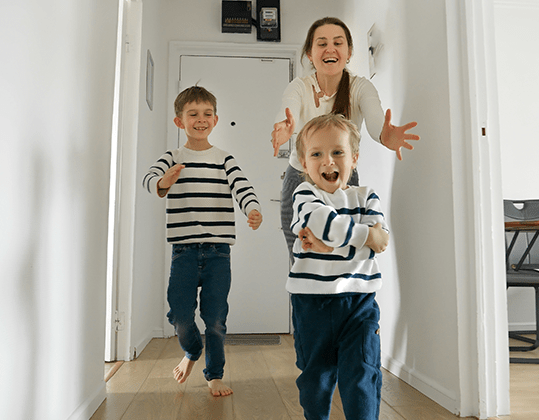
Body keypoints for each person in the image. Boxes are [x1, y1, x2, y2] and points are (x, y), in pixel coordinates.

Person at [142, 86, 263, 397]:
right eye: (193, 114)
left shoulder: (224, 159)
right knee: (179, 315)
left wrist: (252, 209)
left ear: (216, 119)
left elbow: (243, 187)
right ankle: (192, 351)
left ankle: (214, 375)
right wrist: (162, 181)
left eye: (207, 114)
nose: (201, 119)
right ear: (179, 121)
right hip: (183, 251)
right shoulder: (173, 157)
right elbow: (150, 178)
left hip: (218, 253)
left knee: (216, 320)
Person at [271, 17, 418, 263]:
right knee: (303, 255)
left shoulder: (361, 88)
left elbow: (375, 122)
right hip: (299, 179)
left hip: (343, 180)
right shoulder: (298, 87)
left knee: (346, 255)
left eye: (338, 43)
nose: (330, 49)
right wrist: (285, 127)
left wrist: (385, 134)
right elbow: (289, 111)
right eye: (322, 43)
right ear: (310, 53)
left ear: (349, 52)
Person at [288, 113, 389, 420]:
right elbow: (325, 223)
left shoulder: (366, 196)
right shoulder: (305, 195)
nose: (327, 161)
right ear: (305, 164)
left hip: (359, 302)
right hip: (312, 303)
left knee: (362, 371)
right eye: (316, 154)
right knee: (315, 377)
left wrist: (332, 246)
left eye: (338, 152)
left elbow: (381, 242)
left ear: (354, 158)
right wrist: (362, 237)